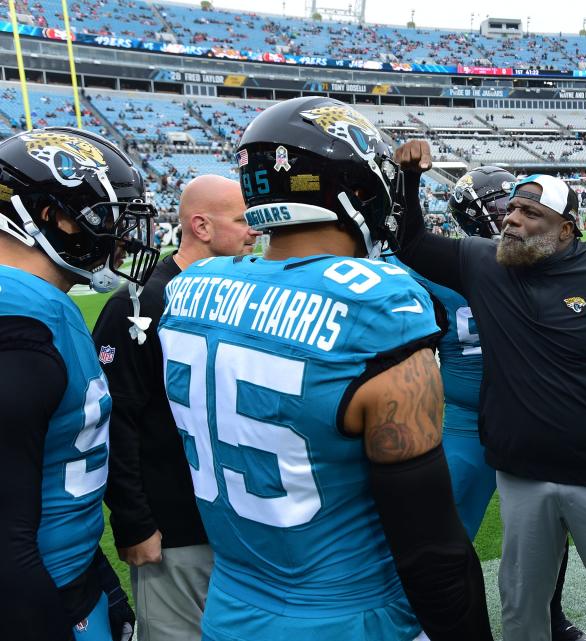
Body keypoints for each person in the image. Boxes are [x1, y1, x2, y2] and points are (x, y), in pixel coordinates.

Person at [158, 97, 492, 641]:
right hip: (349, 614)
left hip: (229, 608)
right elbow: (432, 549)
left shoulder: (193, 287)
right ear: (359, 190)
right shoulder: (375, 309)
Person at [394, 140, 586, 641]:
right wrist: (408, 177)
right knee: (522, 607)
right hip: (521, 473)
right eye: (511, 208)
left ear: (566, 228)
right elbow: (410, 242)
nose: (512, 219)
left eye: (529, 212)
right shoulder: (483, 263)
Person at [399, 165, 586, 641]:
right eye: (504, 206)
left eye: (519, 206)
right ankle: (433, 624)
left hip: (528, 415)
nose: (511, 216)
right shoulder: (445, 267)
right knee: (445, 533)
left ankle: (549, 614)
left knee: (546, 529)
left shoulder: (548, 261)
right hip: (464, 420)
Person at [0, 127, 159, 639]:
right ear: (52, 217)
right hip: (38, 597)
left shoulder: (40, 303)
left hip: (70, 574)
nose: (121, 236)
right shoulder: (18, 320)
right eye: (106, 219)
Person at [92, 174, 261, 641]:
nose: (255, 231)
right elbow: (112, 420)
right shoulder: (139, 304)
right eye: (243, 220)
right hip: (176, 529)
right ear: (202, 226)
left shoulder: (237, 296)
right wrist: (134, 521)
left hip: (239, 525)